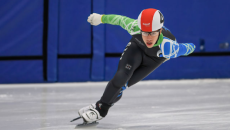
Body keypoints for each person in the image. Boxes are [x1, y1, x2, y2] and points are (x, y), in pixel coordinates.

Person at [78, 8, 195, 123]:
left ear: (159, 31)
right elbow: (119, 19)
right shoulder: (134, 27)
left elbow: (188, 48)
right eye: (145, 33)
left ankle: (100, 105)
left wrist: (193, 46)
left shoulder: (168, 47)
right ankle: (100, 109)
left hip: (154, 59)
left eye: (153, 33)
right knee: (120, 78)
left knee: (122, 87)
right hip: (137, 48)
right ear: (140, 29)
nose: (148, 38)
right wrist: (101, 18)